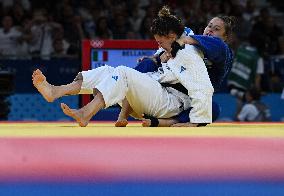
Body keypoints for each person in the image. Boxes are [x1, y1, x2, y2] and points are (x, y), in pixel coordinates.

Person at [32, 6, 213, 127]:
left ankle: (86, 113)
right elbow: (159, 58)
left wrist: (196, 121)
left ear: (173, 36)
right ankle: (55, 91)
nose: (160, 46)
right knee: (107, 70)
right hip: (156, 94)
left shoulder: (189, 54)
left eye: (161, 42)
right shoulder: (169, 48)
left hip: (170, 103)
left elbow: (204, 88)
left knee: (124, 73)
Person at [116, 14, 235, 127]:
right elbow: (167, 52)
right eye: (209, 26)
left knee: (212, 108)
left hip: (188, 99)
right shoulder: (194, 44)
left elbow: (216, 44)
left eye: (216, 29)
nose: (210, 30)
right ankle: (124, 109)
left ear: (225, 37)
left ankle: (166, 122)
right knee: (148, 63)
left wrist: (183, 40)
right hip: (165, 90)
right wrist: (157, 58)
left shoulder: (224, 51)